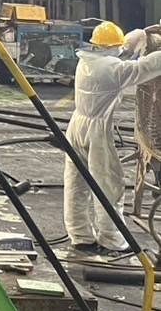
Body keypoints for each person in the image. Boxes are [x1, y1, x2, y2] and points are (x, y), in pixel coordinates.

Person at [65, 21, 161, 254]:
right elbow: (144, 67)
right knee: (109, 185)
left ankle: (80, 235)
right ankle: (112, 240)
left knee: (76, 184)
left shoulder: (86, 60)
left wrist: (141, 34)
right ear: (110, 47)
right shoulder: (111, 69)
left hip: (76, 126)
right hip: (96, 131)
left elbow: (122, 49)